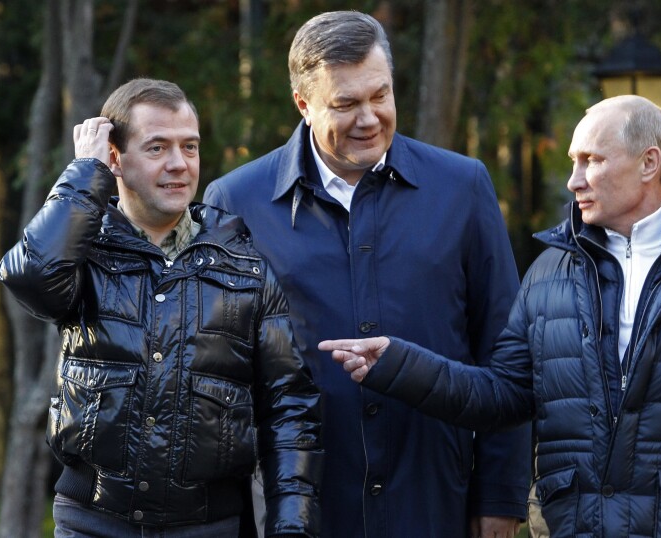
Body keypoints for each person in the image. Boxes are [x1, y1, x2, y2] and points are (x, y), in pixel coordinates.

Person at [320, 95, 661, 536]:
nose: (573, 179)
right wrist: (399, 364)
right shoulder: (547, 274)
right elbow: (502, 397)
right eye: (572, 161)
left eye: (592, 160)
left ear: (650, 163)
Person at [203, 10, 531, 538]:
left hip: (434, 498)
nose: (369, 118)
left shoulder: (463, 186)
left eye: (380, 95)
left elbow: (505, 349)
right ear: (303, 105)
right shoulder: (234, 202)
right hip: (300, 508)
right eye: (346, 103)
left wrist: (500, 495)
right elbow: (218, 374)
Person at [0, 78, 322, 537]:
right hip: (92, 522)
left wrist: (293, 525)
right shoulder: (85, 255)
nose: (179, 164)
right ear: (115, 159)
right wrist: (86, 171)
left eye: (189, 147)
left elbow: (288, 406)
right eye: (157, 148)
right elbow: (30, 275)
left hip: (211, 527)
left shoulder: (246, 267)